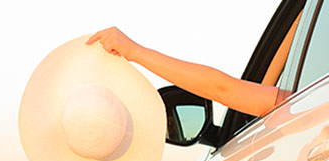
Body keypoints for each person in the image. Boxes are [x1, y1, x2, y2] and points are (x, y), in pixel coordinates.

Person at [86, 27, 280, 117]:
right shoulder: (304, 107)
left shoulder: (303, 107)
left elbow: (223, 89)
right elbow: (221, 89)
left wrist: (135, 52)